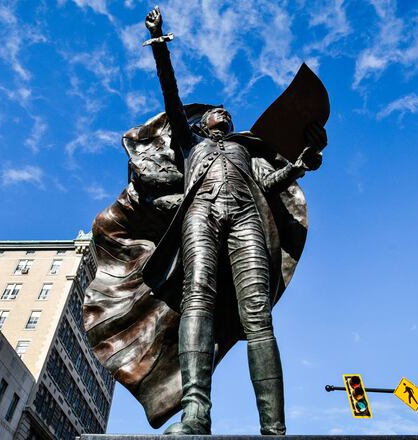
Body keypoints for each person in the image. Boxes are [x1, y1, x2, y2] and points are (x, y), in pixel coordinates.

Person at [141, 7, 326, 435]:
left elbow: (272, 181)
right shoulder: (191, 145)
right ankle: (195, 414)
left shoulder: (247, 151)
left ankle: (274, 427)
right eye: (216, 111)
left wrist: (301, 164)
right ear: (203, 124)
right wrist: (159, 44)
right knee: (197, 299)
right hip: (200, 215)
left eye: (227, 110)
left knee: (258, 314)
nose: (223, 112)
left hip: (247, 218)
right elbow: (171, 96)